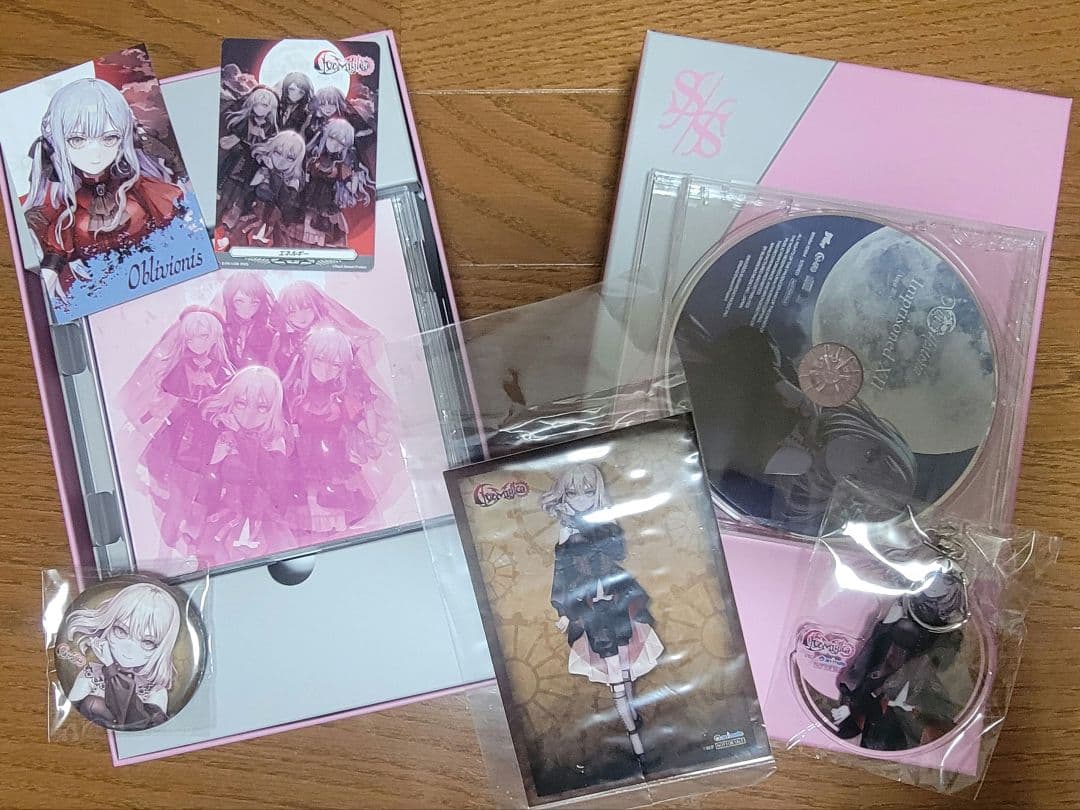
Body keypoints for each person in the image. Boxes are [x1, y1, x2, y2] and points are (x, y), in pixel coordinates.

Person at [540, 463, 664, 758]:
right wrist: (563, 611)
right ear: (563, 495)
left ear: (597, 491)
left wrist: (589, 526)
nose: (581, 498)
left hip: (619, 600)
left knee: (624, 669)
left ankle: (633, 720)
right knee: (616, 673)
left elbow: (618, 551)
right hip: (592, 609)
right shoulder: (566, 529)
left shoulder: (605, 520)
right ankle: (635, 741)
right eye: (573, 492)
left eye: (588, 490)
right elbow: (562, 571)